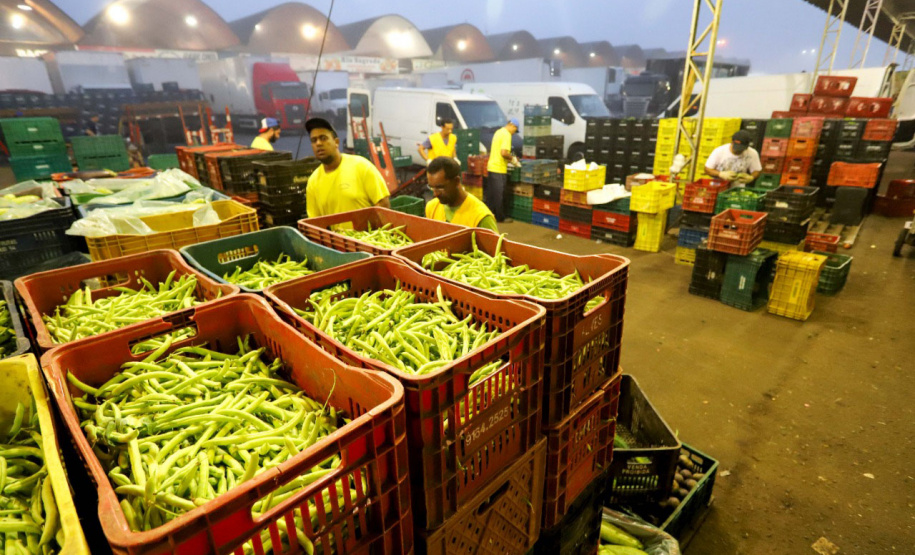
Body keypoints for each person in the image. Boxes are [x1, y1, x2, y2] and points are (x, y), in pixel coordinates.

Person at [305, 117, 390, 220]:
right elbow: (315, 221)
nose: (318, 143)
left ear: (336, 142)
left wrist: (362, 232)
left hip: (366, 235)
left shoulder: (361, 166)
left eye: (323, 138)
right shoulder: (313, 182)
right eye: (314, 140)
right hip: (334, 236)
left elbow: (383, 204)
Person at [425, 156, 499, 232]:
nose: (435, 194)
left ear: (456, 181)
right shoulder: (432, 208)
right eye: (431, 187)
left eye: (440, 187)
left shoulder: (481, 217)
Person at [485, 118, 519, 222]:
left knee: (491, 195)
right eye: (515, 130)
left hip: (491, 167)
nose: (514, 133)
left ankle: (488, 216)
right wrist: (513, 159)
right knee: (499, 195)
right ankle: (500, 217)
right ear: (512, 126)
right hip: (499, 169)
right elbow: (504, 153)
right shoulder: (507, 135)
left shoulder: (498, 132)